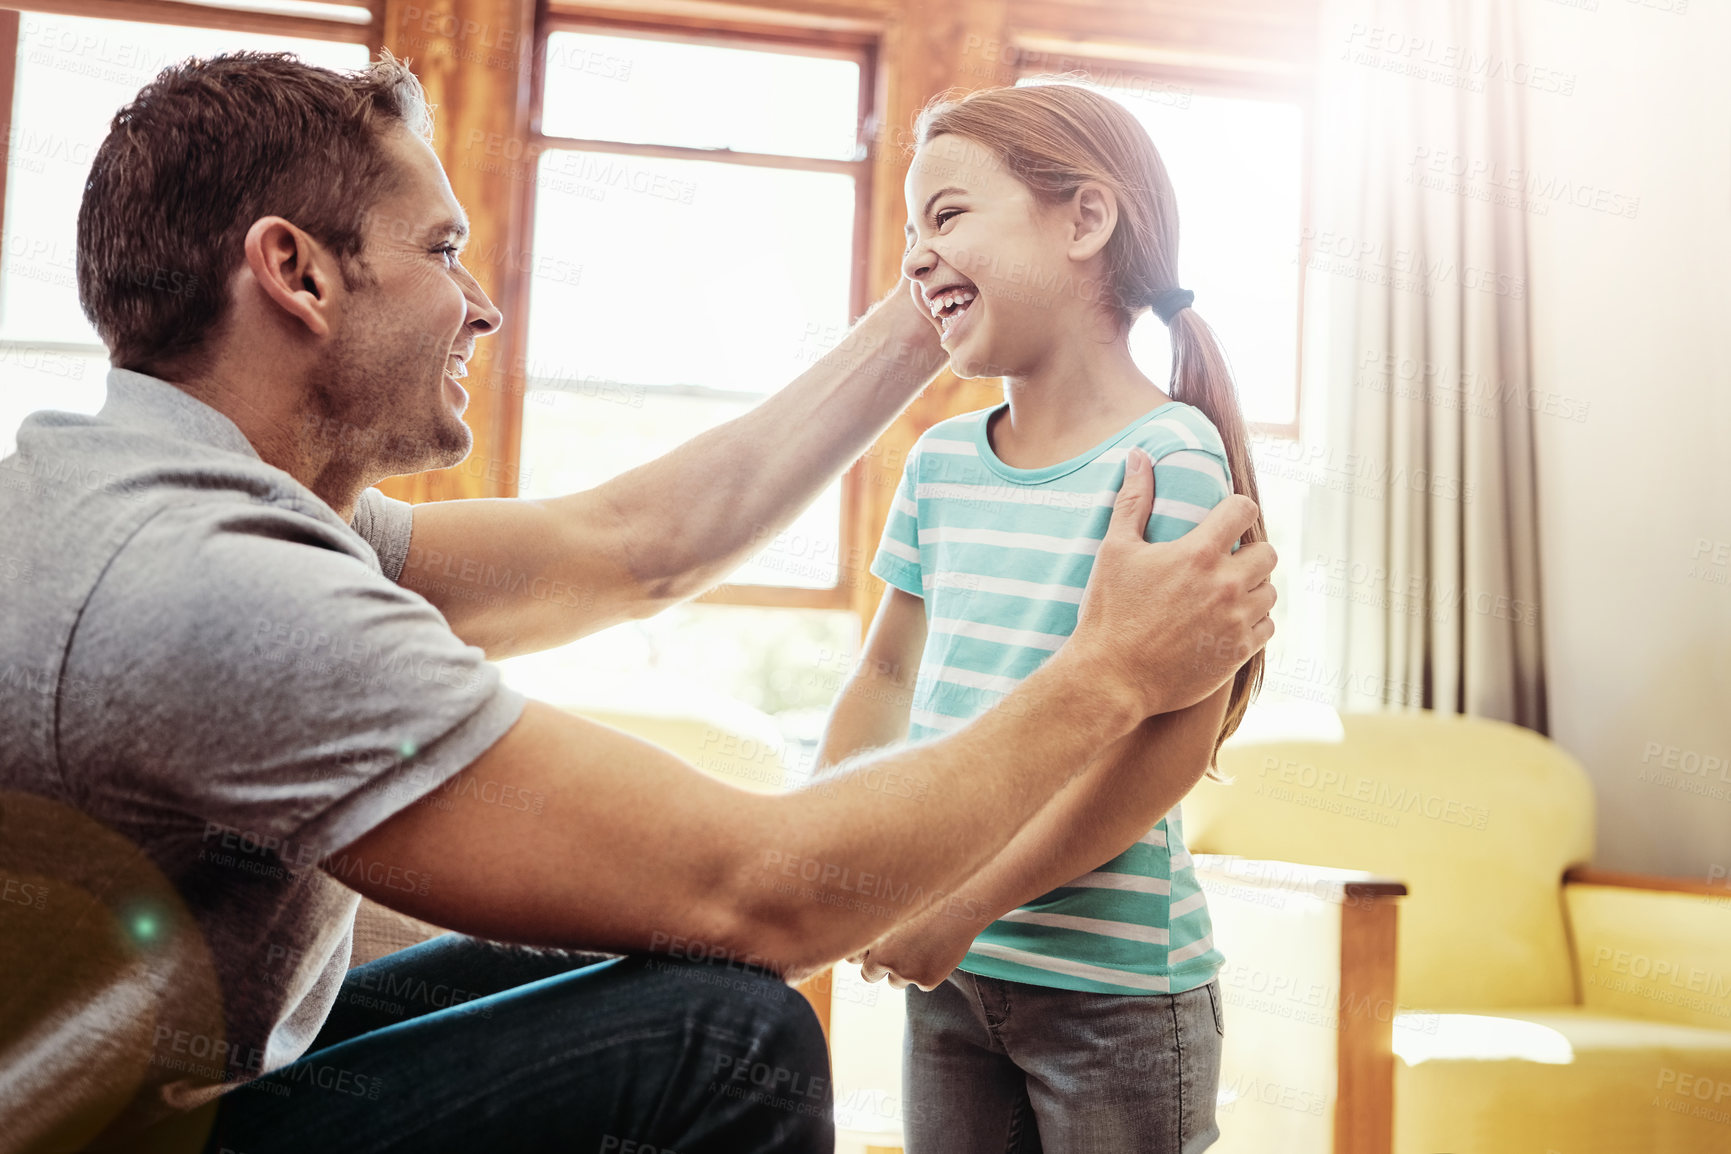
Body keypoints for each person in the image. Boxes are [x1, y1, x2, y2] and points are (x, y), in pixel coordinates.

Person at [0, 52, 1276, 1154]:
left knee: (656, 955)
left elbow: (632, 547)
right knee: (729, 1025)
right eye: (443, 248)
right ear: (296, 272)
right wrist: (1109, 670)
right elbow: (761, 891)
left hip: (160, 1082)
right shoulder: (212, 579)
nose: (482, 302)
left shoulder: (197, 492)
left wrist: (928, 305)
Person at [819, 84, 1265, 1153]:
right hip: (953, 975)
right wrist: (822, 865)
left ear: (1084, 218)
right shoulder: (938, 464)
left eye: (948, 214)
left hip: (1112, 995)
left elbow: (1170, 746)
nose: (917, 257)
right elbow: (885, 680)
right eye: (911, 230)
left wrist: (969, 897)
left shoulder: (1169, 463)